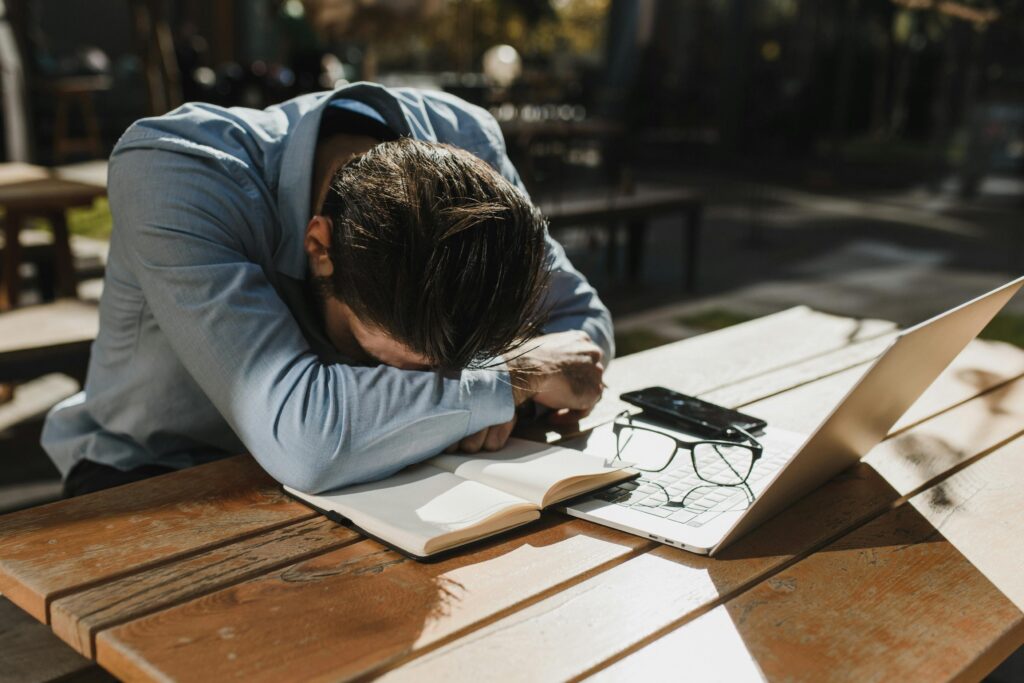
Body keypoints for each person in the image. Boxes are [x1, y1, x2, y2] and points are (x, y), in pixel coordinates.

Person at [42, 82, 613, 497]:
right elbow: (307, 441)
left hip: (387, 471)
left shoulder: (467, 155)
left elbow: (582, 328)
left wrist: (462, 394)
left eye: (455, 366)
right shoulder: (176, 171)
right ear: (321, 249)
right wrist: (510, 377)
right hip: (160, 475)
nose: (443, 381)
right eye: (393, 361)